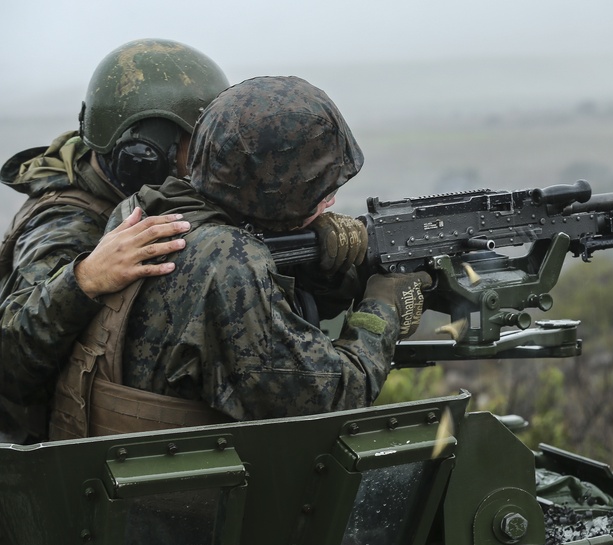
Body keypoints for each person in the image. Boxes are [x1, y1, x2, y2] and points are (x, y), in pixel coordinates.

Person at [48, 75, 432, 439]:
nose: (330, 201)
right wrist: (382, 308)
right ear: (278, 196)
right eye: (319, 190)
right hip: (184, 498)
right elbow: (333, 398)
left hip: (116, 475)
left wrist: (325, 269)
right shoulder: (229, 262)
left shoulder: (151, 209)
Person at [0, 38, 229, 443]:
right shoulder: (68, 226)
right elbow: (8, 367)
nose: (209, 159)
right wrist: (84, 279)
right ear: (147, 151)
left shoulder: (130, 191)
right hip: (51, 463)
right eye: (198, 144)